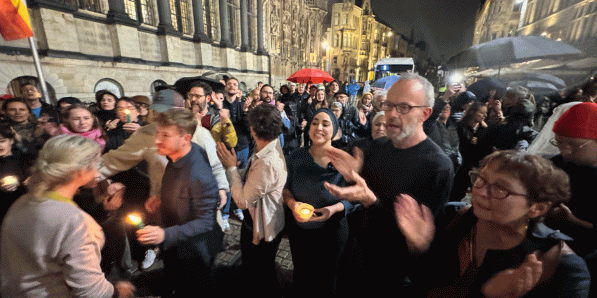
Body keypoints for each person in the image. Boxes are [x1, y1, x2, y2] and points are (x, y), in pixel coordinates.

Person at [324, 73, 454, 296]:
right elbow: (360, 204)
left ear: (425, 113)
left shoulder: (438, 166)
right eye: (388, 105)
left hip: (389, 276)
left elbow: (416, 240)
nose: (392, 114)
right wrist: (351, 178)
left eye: (403, 107)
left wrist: (369, 200)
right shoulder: (379, 146)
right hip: (355, 259)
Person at [396, 150, 590, 298]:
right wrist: (418, 248)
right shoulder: (453, 218)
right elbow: (419, 284)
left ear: (537, 208)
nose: (479, 192)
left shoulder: (563, 266)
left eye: (500, 189)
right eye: (481, 179)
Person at [1, 135, 136, 298]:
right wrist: (117, 291)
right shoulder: (74, 220)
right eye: (96, 164)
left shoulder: (24, 201)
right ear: (80, 171)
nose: (98, 170)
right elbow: (91, 291)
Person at [136, 108, 223, 297]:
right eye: (158, 133)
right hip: (177, 243)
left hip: (196, 251)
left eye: (165, 135)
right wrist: (162, 198)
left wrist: (163, 234)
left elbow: (206, 222)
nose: (157, 140)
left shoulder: (198, 174)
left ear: (186, 138)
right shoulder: (178, 155)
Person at [216, 103, 286, 297]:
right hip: (260, 221)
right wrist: (238, 171)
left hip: (262, 227)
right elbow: (253, 180)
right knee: (258, 269)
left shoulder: (267, 161)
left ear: (253, 129)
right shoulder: (266, 147)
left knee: (261, 272)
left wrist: (230, 169)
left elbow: (241, 201)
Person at [283, 108, 355, 296]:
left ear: (335, 129)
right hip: (300, 229)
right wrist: (292, 204)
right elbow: (284, 188)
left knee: (328, 279)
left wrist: (333, 209)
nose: (318, 128)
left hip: (333, 230)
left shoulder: (344, 159)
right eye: (315, 122)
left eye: (325, 123)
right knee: (302, 275)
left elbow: (354, 197)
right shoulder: (296, 156)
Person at [545, 102, 597, 257]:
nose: (564, 151)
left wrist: (573, 221)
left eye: (573, 145)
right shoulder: (554, 165)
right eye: (559, 143)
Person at [451, 101, 491, 202]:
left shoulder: (484, 129)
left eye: (486, 113)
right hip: (464, 165)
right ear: (473, 112)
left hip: (479, 166)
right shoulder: (460, 126)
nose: (485, 115)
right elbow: (458, 147)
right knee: (457, 193)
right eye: (482, 113)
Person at [0, 124, 27, 222]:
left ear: (11, 141)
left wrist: (19, 182)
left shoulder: (23, 159)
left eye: (2, 141)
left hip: (20, 208)